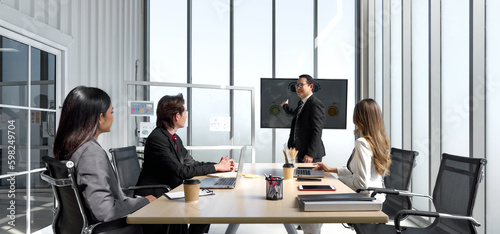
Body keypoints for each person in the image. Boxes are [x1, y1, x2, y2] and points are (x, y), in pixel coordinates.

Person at [53, 86, 156, 234]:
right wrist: (144, 201)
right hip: (112, 228)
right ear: (100, 118)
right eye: (111, 112)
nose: (113, 117)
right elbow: (105, 211)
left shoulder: (68, 148)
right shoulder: (90, 153)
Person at [135, 93, 235, 234]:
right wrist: (217, 167)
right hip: (157, 193)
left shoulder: (174, 138)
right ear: (177, 116)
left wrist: (219, 166)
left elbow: (192, 163)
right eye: (185, 112)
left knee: (205, 210)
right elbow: (181, 171)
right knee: (204, 209)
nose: (186, 116)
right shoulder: (157, 139)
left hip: (171, 188)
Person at [303, 98, 392, 234]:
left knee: (313, 207)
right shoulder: (380, 141)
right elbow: (355, 172)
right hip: (377, 196)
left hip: (365, 197)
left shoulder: (362, 143)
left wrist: (335, 180)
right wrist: (331, 170)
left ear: (359, 118)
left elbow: (361, 183)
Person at [281, 74, 326, 163]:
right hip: (299, 151)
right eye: (297, 85)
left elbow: (317, 131)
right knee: (298, 176)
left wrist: (310, 154)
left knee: (307, 177)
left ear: (311, 86)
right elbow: (296, 113)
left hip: (309, 155)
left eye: (301, 85)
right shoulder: (301, 103)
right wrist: (285, 106)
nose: (298, 88)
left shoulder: (315, 104)